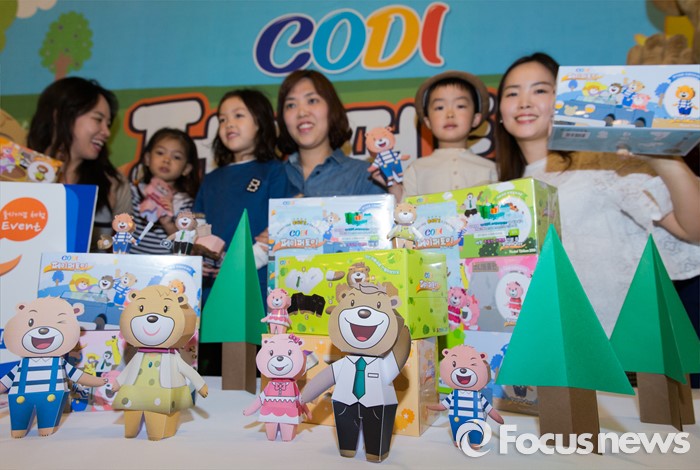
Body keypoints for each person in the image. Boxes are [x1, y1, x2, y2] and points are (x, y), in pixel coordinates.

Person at [495, 52, 700, 336]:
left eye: (540, 90)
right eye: (512, 93)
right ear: (500, 114)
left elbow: (692, 229)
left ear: (564, 99)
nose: (524, 102)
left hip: (625, 340)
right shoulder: (501, 193)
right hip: (549, 343)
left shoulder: (606, 162)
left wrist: (663, 160)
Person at [194, 89, 292, 299]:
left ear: (260, 123)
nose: (229, 124)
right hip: (212, 287)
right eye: (222, 119)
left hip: (256, 283)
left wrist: (239, 265)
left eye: (238, 115)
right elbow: (199, 225)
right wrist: (198, 257)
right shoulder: (210, 179)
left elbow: (280, 229)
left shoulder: (275, 171)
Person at [27, 77, 131, 251]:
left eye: (108, 124)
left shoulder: (113, 183)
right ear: (60, 116)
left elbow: (122, 250)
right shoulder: (16, 172)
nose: (106, 132)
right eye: (98, 119)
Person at [385, 70, 497, 201]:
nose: (450, 114)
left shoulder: (491, 169)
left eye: (460, 106)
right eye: (439, 107)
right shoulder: (416, 169)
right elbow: (406, 210)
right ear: (428, 121)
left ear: (475, 119)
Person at [277, 70, 385, 197]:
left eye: (312, 101)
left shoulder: (365, 176)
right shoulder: (270, 177)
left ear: (331, 108)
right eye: (291, 105)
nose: (302, 113)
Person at [127, 128, 200, 254]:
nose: (166, 160)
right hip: (129, 264)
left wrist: (168, 224)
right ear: (147, 158)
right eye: (160, 153)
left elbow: (186, 249)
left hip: (166, 265)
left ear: (186, 169)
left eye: (176, 157)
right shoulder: (133, 192)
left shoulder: (185, 204)